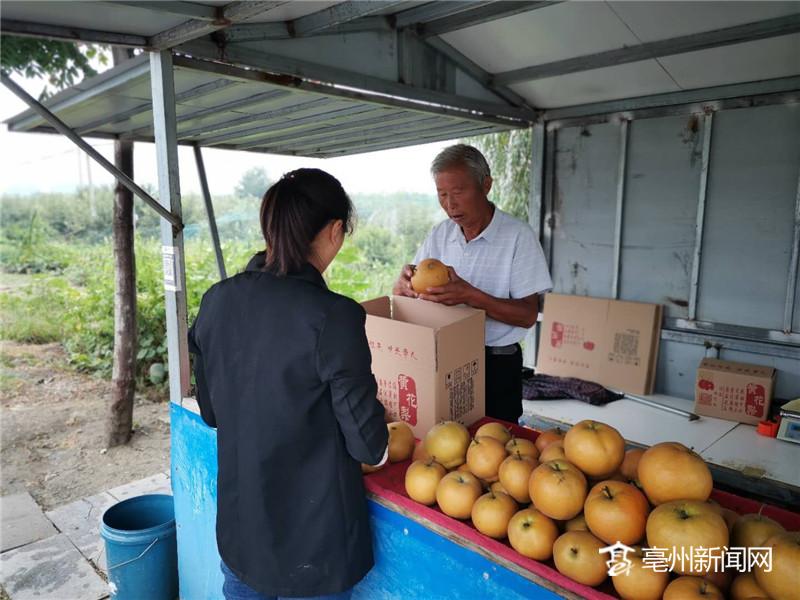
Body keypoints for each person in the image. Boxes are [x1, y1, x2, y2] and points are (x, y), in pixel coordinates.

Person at [189, 168, 389, 600]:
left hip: (243, 535)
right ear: (335, 231)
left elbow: (211, 412)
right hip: (313, 547)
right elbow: (369, 445)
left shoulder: (217, 301)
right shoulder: (333, 316)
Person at [393, 144, 552, 424]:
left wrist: (471, 295)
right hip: (445, 361)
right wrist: (402, 287)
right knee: (445, 443)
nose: (450, 204)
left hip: (496, 365)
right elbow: (409, 292)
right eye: (442, 195)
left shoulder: (518, 237)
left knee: (496, 448)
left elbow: (527, 315)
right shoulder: (441, 235)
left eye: (458, 192)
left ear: (486, 185)